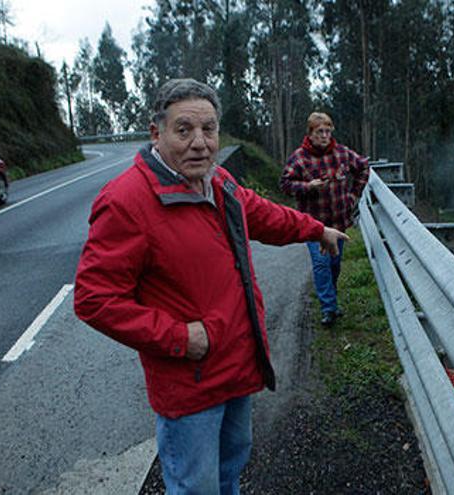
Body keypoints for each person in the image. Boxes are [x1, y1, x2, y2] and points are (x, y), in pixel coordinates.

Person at [73, 79, 348, 494]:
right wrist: (180, 337)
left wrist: (315, 230)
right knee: (195, 486)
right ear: (157, 134)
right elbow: (94, 300)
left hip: (237, 366)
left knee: (228, 473)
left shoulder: (217, 184)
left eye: (209, 130)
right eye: (184, 130)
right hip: (190, 383)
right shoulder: (127, 202)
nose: (200, 143)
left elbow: (265, 215)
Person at [279, 112, 369, 326]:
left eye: (328, 131)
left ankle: (332, 297)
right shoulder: (299, 158)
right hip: (313, 224)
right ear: (310, 134)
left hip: (338, 223)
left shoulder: (341, 153)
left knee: (334, 263)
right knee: (321, 263)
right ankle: (328, 309)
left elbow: (363, 167)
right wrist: (307, 187)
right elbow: (285, 184)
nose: (325, 135)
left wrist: (355, 193)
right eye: (320, 132)